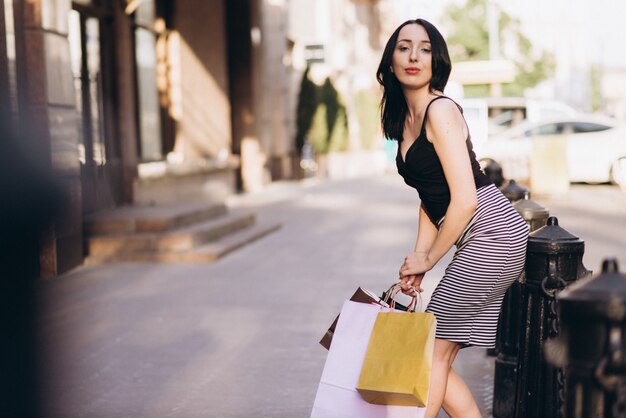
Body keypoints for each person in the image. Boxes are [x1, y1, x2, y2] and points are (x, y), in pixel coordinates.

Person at [376, 19, 529, 418]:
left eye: (424, 49)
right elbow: (431, 199)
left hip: (494, 233)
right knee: (435, 353)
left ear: (436, 60)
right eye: (404, 47)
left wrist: (430, 260)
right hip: (477, 234)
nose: (413, 56)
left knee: (431, 352)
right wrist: (418, 259)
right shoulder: (403, 122)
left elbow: (464, 203)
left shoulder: (440, 110)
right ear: (390, 61)